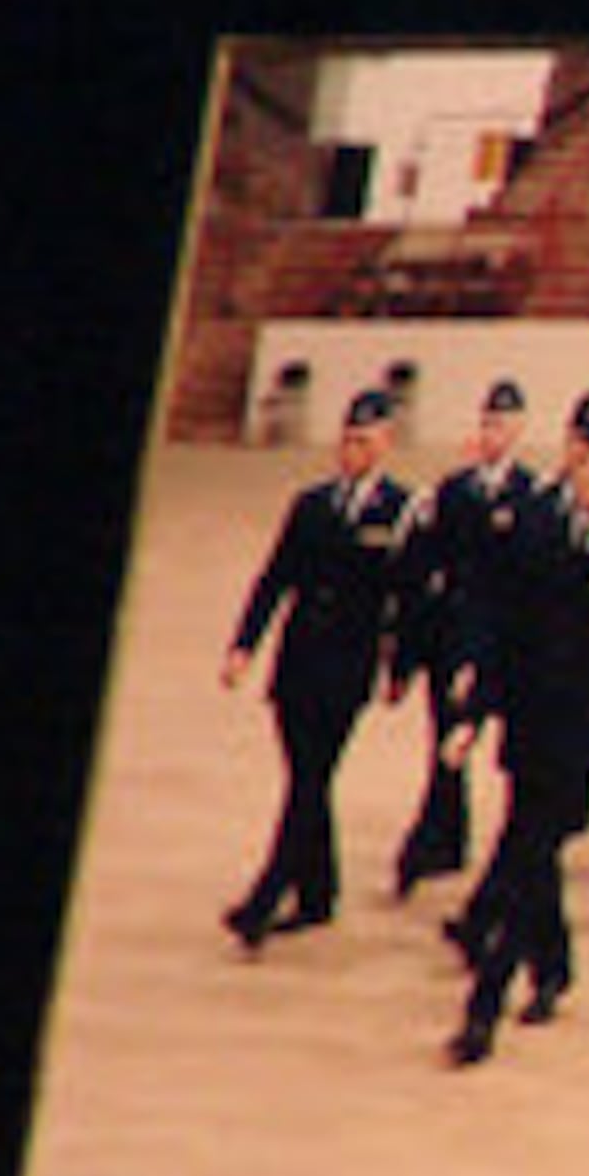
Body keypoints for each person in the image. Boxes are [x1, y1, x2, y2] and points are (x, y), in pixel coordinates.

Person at [445, 393, 589, 1067]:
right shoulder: (535, 527)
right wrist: (472, 713)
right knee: (531, 852)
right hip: (530, 720)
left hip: (584, 733)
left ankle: (484, 1008)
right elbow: (505, 628)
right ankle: (553, 964)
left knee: (525, 850)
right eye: (583, 456)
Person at [220, 385, 410, 948]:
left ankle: (266, 897)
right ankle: (318, 892)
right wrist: (244, 646)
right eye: (347, 439)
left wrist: (403, 663)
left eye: (364, 440)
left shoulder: (400, 511)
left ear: (386, 444)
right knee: (308, 780)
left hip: (349, 669)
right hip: (298, 663)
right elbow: (275, 578)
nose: (351, 450)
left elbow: (410, 596)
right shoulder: (312, 505)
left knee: (310, 780)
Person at [386, 377, 538, 892]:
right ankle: (440, 837)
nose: (493, 433)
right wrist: (404, 656)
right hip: (451, 634)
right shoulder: (453, 492)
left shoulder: (531, 496)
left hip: (507, 640)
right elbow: (423, 572)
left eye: (503, 423)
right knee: (446, 740)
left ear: (519, 429)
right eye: (488, 423)